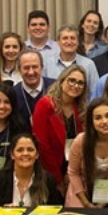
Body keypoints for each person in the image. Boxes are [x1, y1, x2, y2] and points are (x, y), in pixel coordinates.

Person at [65, 99, 108, 208]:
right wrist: (86, 203)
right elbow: (73, 173)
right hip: (81, 191)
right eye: (98, 118)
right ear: (91, 122)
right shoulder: (80, 141)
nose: (105, 121)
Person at [31, 65, 87, 193]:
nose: (76, 85)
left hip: (72, 168)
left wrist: (73, 172)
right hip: (50, 169)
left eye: (80, 83)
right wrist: (58, 179)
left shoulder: (80, 109)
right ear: (61, 82)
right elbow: (42, 144)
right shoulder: (45, 105)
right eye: (71, 80)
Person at [0, 132, 62, 207]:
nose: (25, 153)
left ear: (37, 155)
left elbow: (55, 214)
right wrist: (2, 213)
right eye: (20, 150)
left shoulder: (48, 180)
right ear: (12, 155)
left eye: (30, 150)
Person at [42, 25, 100, 90]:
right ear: (58, 42)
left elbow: (95, 92)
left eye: (72, 38)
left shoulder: (89, 65)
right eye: (65, 38)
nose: (69, 42)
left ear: (78, 42)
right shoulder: (47, 63)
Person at [11, 49, 55, 127]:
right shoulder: (13, 93)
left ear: (41, 68)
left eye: (35, 67)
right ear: (19, 70)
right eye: (26, 68)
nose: (31, 72)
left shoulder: (55, 88)